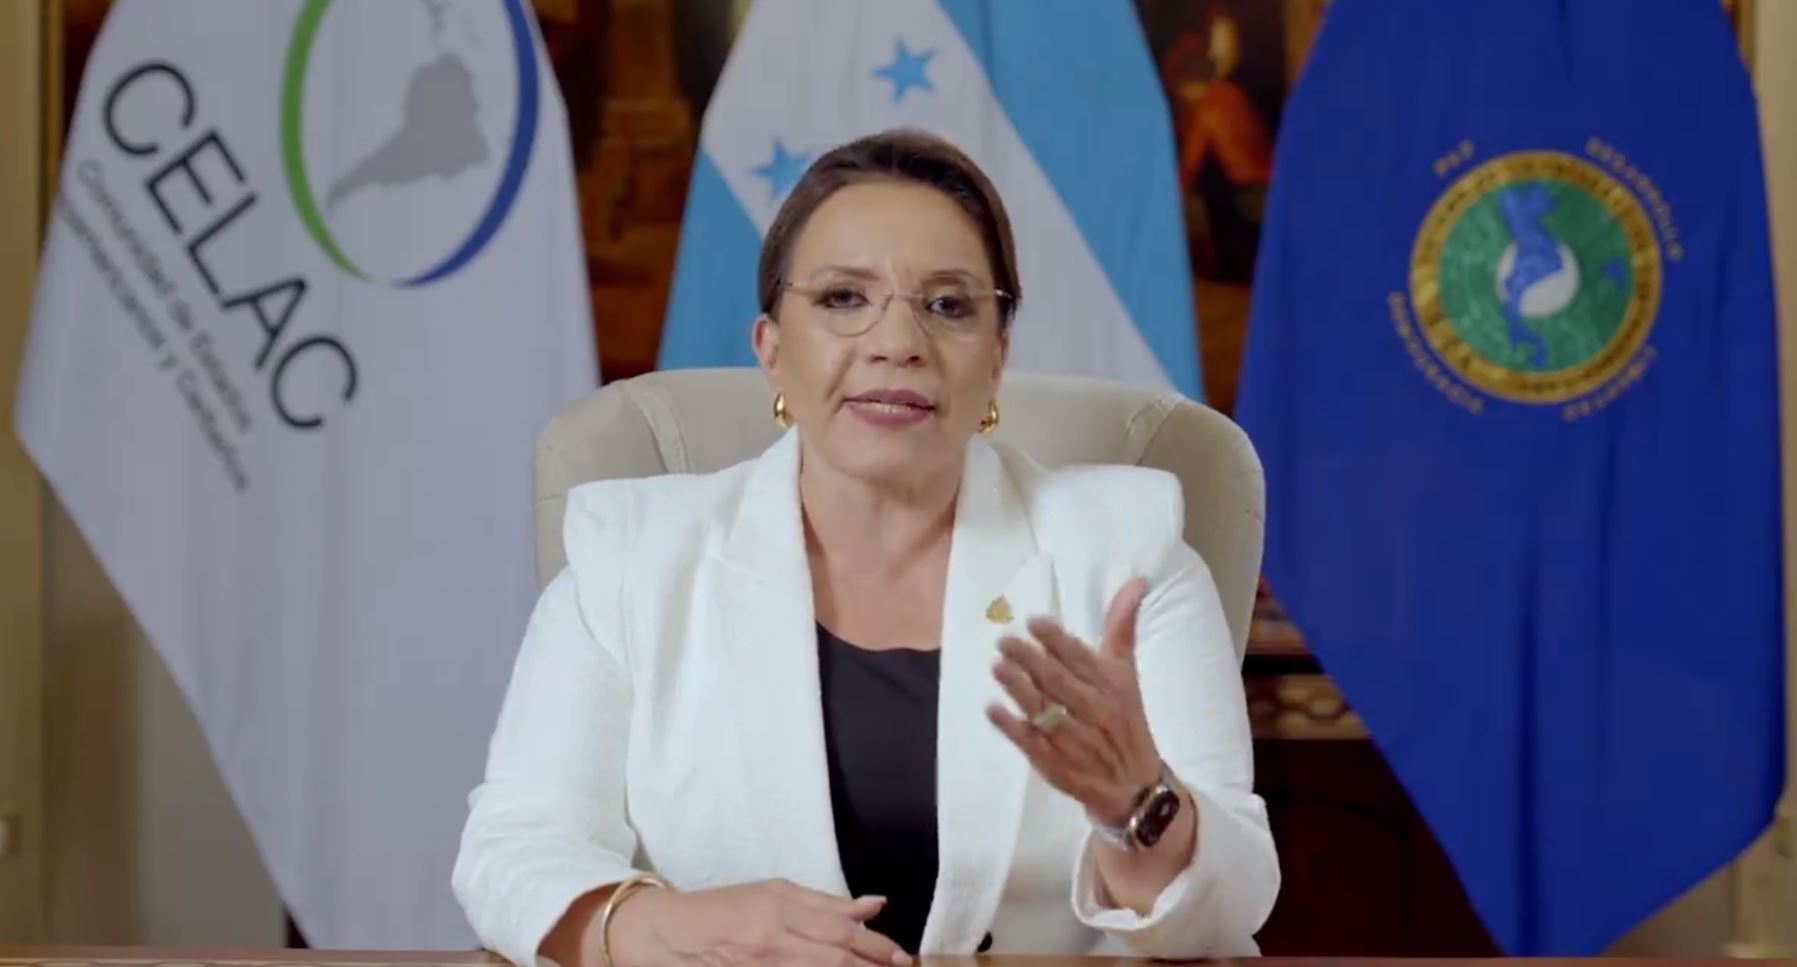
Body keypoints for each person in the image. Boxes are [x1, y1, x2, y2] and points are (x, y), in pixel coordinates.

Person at [451, 128, 1278, 967]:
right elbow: (512, 846)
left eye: (948, 305)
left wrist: (1140, 808)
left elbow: (1233, 907)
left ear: (996, 357)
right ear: (771, 349)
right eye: (844, 298)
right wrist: (656, 926)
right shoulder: (632, 559)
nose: (897, 342)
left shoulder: (1126, 551)